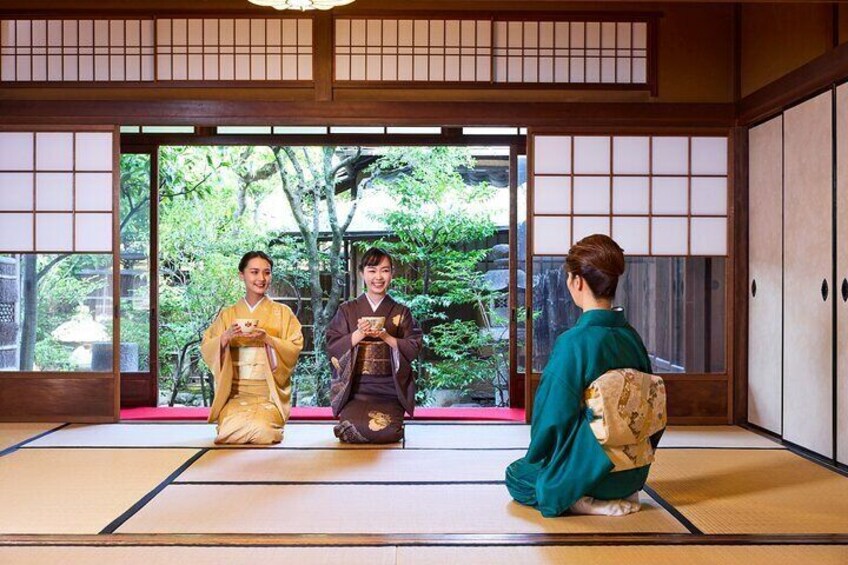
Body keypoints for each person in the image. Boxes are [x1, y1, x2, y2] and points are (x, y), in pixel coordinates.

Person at [506, 234, 660, 517]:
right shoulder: (632, 338)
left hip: (591, 472)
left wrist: (539, 458)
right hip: (633, 472)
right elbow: (652, 409)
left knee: (517, 475)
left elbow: (552, 417)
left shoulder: (574, 342)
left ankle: (581, 500)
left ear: (577, 281)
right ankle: (620, 490)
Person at [200, 251, 303, 444]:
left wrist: (269, 340)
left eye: (267, 272)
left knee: (263, 432)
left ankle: (269, 423)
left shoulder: (283, 313)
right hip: (235, 393)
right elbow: (207, 346)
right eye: (254, 272)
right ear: (242, 275)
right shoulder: (228, 314)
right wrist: (224, 338)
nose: (261, 278)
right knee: (226, 433)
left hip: (268, 394)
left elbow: (294, 347)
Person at [326, 247, 423, 443]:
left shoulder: (401, 312)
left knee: (386, 431)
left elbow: (413, 347)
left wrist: (386, 336)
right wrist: (360, 333)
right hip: (356, 389)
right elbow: (333, 345)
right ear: (362, 273)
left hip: (389, 389)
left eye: (385, 270)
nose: (378, 277)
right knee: (349, 431)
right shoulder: (347, 310)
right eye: (372, 270)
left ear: (392, 274)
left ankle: (394, 423)